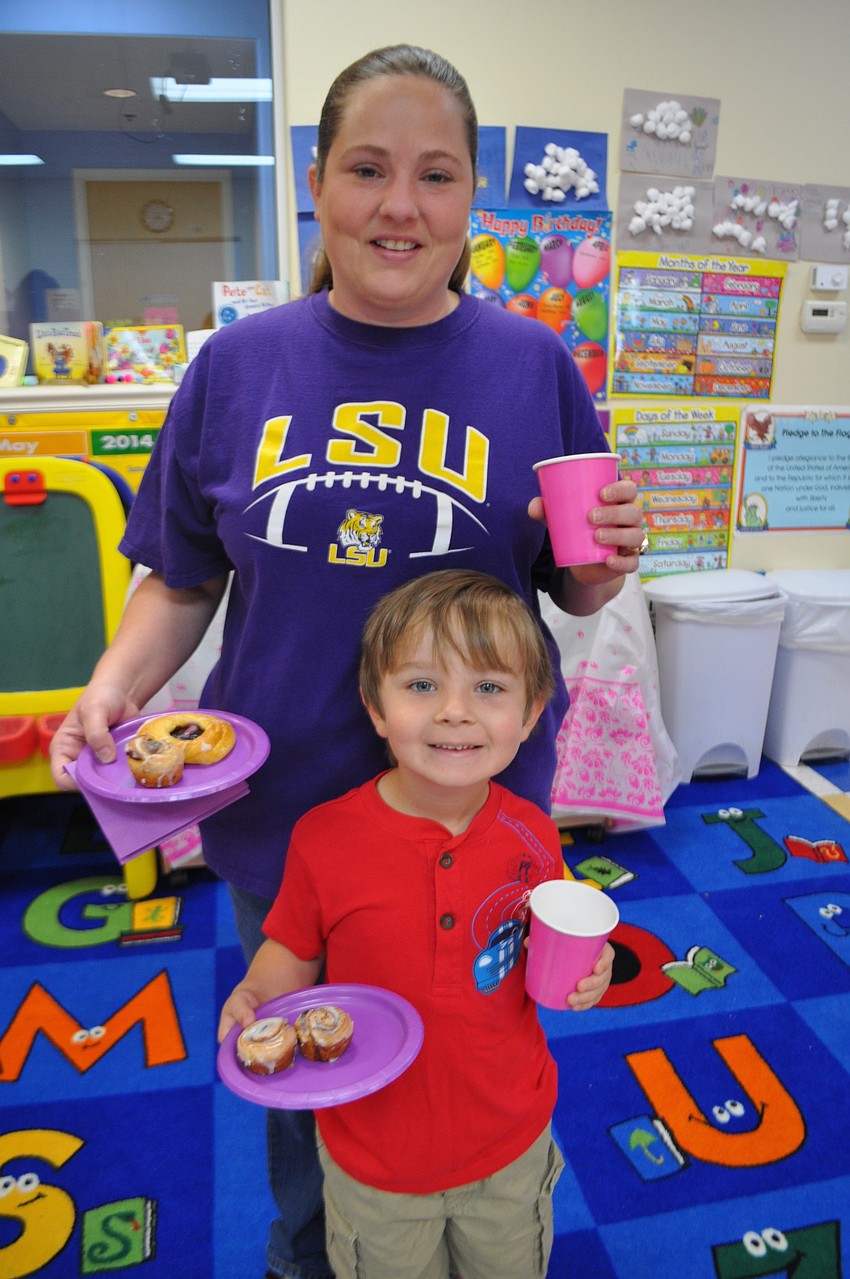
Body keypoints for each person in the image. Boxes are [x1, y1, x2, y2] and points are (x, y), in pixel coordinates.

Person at [50, 43, 642, 1279]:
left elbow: (568, 578)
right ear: (316, 179)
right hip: (289, 819)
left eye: (435, 175)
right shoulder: (235, 367)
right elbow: (179, 576)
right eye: (367, 168)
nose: (399, 206)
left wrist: (603, 568)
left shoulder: (531, 365)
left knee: (475, 1061)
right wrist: (117, 687)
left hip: (471, 816)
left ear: (472, 197)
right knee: (313, 1083)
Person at [219, 569, 615, 1279]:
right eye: (423, 685)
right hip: (373, 1157)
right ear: (375, 705)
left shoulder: (532, 835)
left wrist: (594, 969)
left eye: (490, 688)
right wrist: (256, 996)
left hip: (509, 1139)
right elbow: (291, 951)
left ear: (531, 716)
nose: (455, 712)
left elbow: (553, 939)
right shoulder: (324, 836)